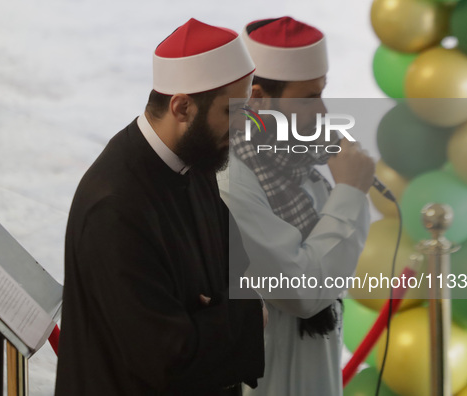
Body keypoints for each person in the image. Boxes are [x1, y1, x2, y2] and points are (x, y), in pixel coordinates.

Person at [55, 18, 265, 396]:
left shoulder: (195, 158)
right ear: (182, 107)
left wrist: (206, 313)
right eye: (231, 112)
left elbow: (243, 270)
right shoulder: (115, 208)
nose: (242, 127)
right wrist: (236, 314)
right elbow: (166, 358)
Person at [219, 17, 375, 396]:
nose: (322, 111)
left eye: (322, 93)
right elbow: (301, 291)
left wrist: (349, 191)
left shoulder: (299, 164)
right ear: (258, 100)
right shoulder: (232, 180)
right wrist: (351, 192)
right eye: (307, 98)